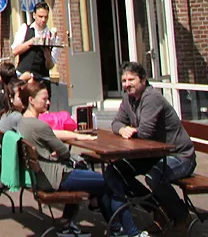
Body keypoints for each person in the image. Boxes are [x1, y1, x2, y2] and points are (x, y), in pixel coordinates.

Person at [17, 81, 142, 237]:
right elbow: (64, 152)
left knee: (98, 181)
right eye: (44, 99)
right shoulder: (39, 125)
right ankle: (130, 232)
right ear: (31, 100)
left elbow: (51, 143)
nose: (48, 102)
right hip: (57, 177)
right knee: (110, 182)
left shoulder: (22, 123)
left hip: (42, 177)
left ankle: (114, 228)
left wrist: (53, 151)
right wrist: (58, 152)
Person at [106, 62, 196, 232]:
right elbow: (116, 122)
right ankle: (158, 209)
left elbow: (145, 133)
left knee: (154, 176)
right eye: (124, 80)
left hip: (179, 155)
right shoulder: (128, 99)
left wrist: (130, 132)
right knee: (115, 171)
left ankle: (182, 215)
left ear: (143, 80)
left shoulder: (152, 98)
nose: (127, 84)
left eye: (131, 79)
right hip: (151, 155)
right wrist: (123, 129)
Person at [11, 2, 59, 82]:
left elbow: (50, 66)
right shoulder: (25, 29)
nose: (43, 20)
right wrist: (30, 42)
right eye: (40, 16)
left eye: (46, 17)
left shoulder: (52, 38)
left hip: (41, 80)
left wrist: (47, 56)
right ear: (34, 15)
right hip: (23, 77)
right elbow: (14, 52)